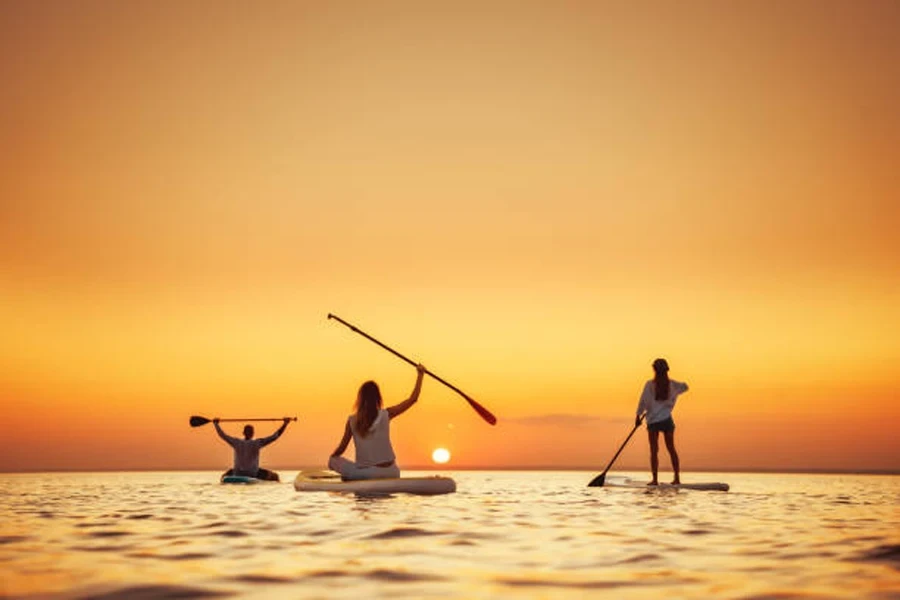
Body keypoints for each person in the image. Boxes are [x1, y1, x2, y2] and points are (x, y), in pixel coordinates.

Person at [329, 363, 426, 480]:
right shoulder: (387, 413)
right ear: (378, 398)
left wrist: (333, 458)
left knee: (333, 460)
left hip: (368, 474)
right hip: (392, 472)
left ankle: (351, 475)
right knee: (355, 467)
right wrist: (420, 375)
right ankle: (353, 474)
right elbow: (413, 399)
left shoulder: (352, 420)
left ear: (360, 398)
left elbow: (341, 449)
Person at [636, 358, 689, 485]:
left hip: (653, 421)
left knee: (654, 451)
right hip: (666, 420)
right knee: (671, 449)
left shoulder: (649, 385)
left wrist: (638, 416)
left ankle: (655, 480)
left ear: (654, 370)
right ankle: (677, 478)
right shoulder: (672, 385)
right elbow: (685, 387)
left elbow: (643, 401)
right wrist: (672, 396)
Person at [214, 418, 291, 481]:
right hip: (253, 473)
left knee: (224, 475)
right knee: (275, 476)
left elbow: (222, 435)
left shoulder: (236, 442)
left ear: (243, 433)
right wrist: (285, 424)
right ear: (253, 433)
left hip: (237, 473)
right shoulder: (257, 443)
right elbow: (275, 436)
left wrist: (216, 424)